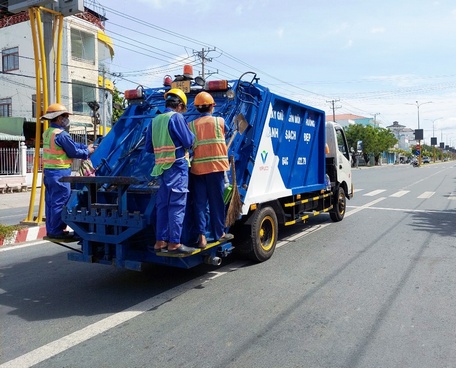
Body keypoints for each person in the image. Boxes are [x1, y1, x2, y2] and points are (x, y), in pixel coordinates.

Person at [145, 88, 196, 254]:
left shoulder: (155, 120)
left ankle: (160, 241)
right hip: (177, 166)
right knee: (176, 205)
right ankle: (174, 243)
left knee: (163, 205)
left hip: (161, 168)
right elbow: (188, 141)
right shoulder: (176, 117)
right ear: (179, 105)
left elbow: (148, 148)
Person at [41, 103, 95, 239]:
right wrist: (87, 151)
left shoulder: (48, 133)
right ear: (58, 118)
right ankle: (58, 232)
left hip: (48, 173)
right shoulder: (61, 135)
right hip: (60, 174)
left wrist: (84, 146)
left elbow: (73, 145)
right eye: (65, 116)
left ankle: (51, 230)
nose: (66, 119)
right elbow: (73, 151)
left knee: (51, 202)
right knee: (61, 201)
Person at [188, 91, 233, 248]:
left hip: (197, 170)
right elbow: (228, 131)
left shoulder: (191, 125)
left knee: (199, 204)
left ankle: (201, 237)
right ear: (212, 107)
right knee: (216, 203)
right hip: (215, 169)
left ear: (197, 108)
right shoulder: (219, 121)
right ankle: (219, 233)